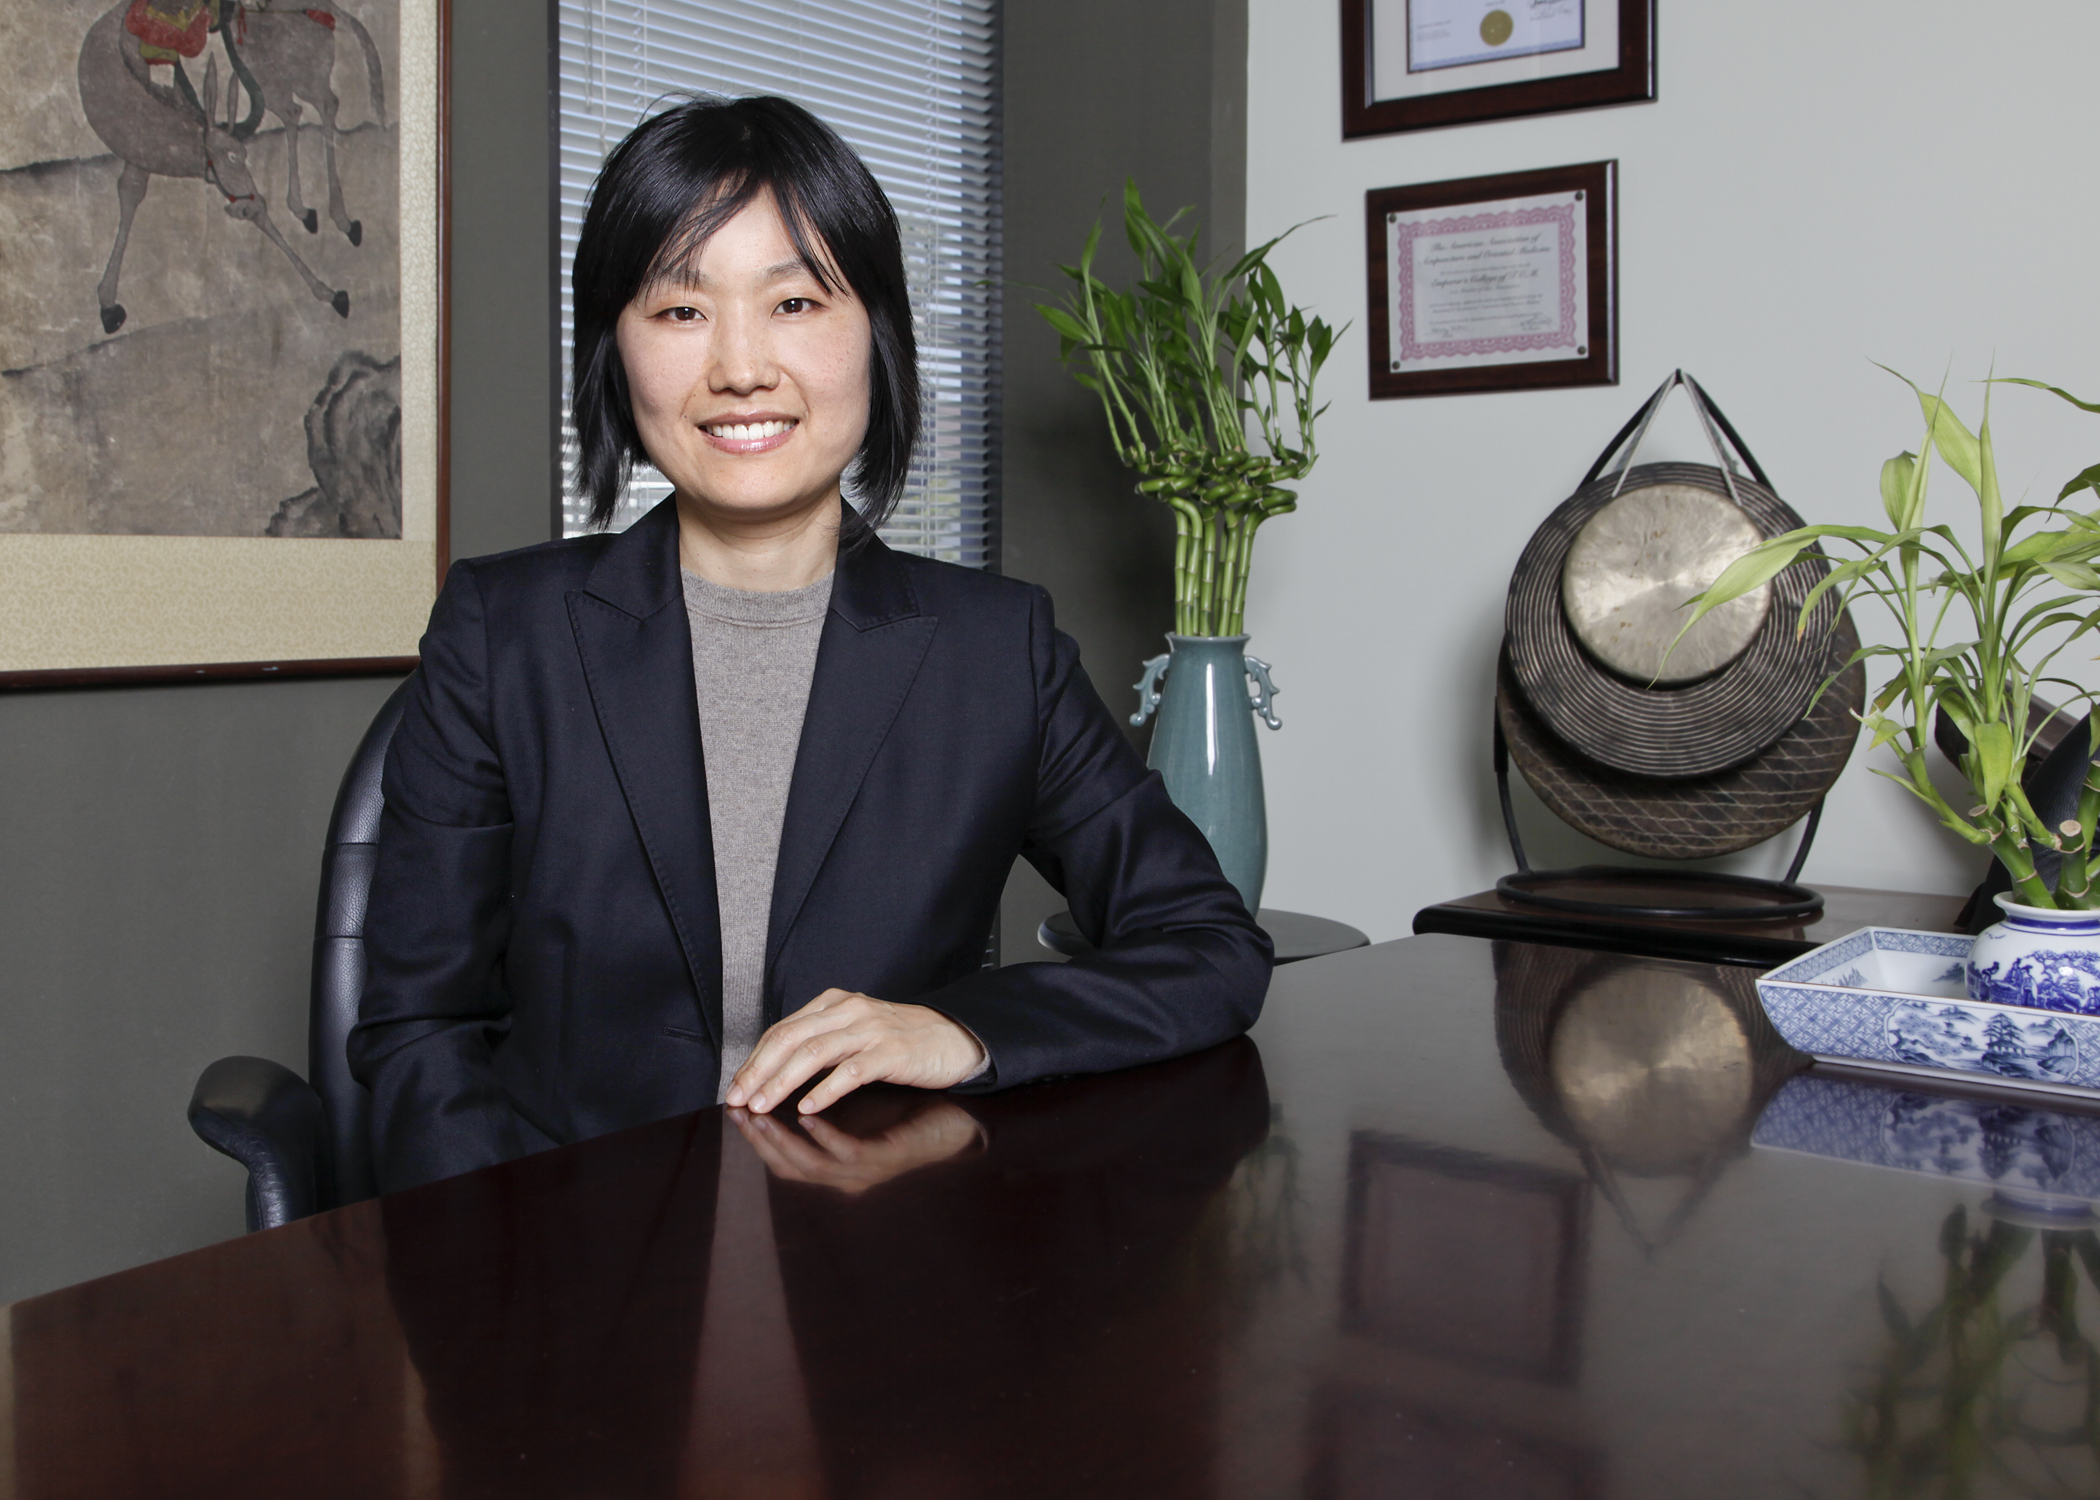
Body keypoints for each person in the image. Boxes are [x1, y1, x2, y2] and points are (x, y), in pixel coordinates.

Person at [348, 94, 1271, 1194]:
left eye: (793, 302)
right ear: (615, 349)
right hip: (569, 1247)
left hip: (873, 1254)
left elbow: (1209, 945)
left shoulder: (996, 652)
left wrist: (962, 1031)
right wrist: (498, 1268)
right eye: (680, 310)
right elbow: (420, 1029)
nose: (741, 367)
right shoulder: (503, 633)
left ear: (876, 332)